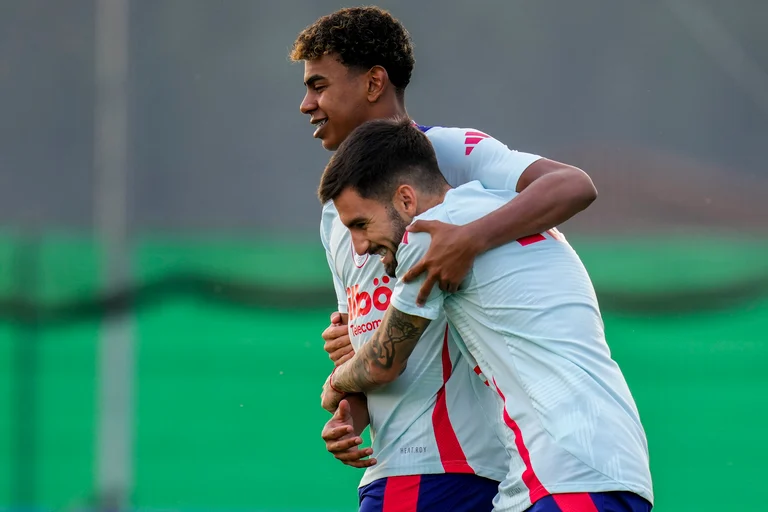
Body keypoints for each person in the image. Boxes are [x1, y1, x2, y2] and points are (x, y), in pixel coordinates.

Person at [290, 6, 598, 511]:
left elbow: (572, 185)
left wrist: (469, 239)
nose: (306, 104)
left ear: (373, 83)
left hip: (455, 466)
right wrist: (352, 411)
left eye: (319, 85)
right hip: (402, 467)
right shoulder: (337, 211)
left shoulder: (446, 152)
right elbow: (372, 337)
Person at [318, 117, 654, 512]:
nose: (358, 248)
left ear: (406, 200)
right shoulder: (502, 210)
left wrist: (338, 382)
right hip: (573, 470)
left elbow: (383, 363)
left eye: (361, 224)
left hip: (568, 475)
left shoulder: (431, 234)